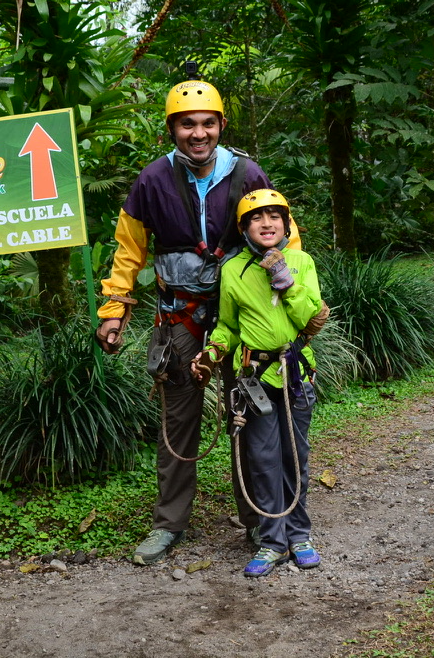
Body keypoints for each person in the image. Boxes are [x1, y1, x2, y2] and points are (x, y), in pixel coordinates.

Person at [95, 74, 301, 565]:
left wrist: (294, 300)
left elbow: (283, 235)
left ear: (221, 124)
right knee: (178, 418)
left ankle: (259, 518)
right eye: (187, 124)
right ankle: (169, 523)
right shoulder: (152, 181)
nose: (198, 133)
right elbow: (129, 252)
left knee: (249, 411)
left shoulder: (248, 174)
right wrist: (115, 310)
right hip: (179, 314)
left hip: (243, 314)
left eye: (208, 123)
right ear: (172, 128)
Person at [190, 189, 323, 577]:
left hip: (295, 372)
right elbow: (228, 325)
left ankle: (299, 535)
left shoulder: (301, 262)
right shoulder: (233, 270)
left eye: (274, 216)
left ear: (286, 223)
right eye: (257, 218)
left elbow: (311, 317)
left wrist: (285, 280)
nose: (267, 224)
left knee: (294, 455)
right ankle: (272, 542)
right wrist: (212, 352)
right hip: (255, 377)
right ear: (244, 227)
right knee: (262, 459)